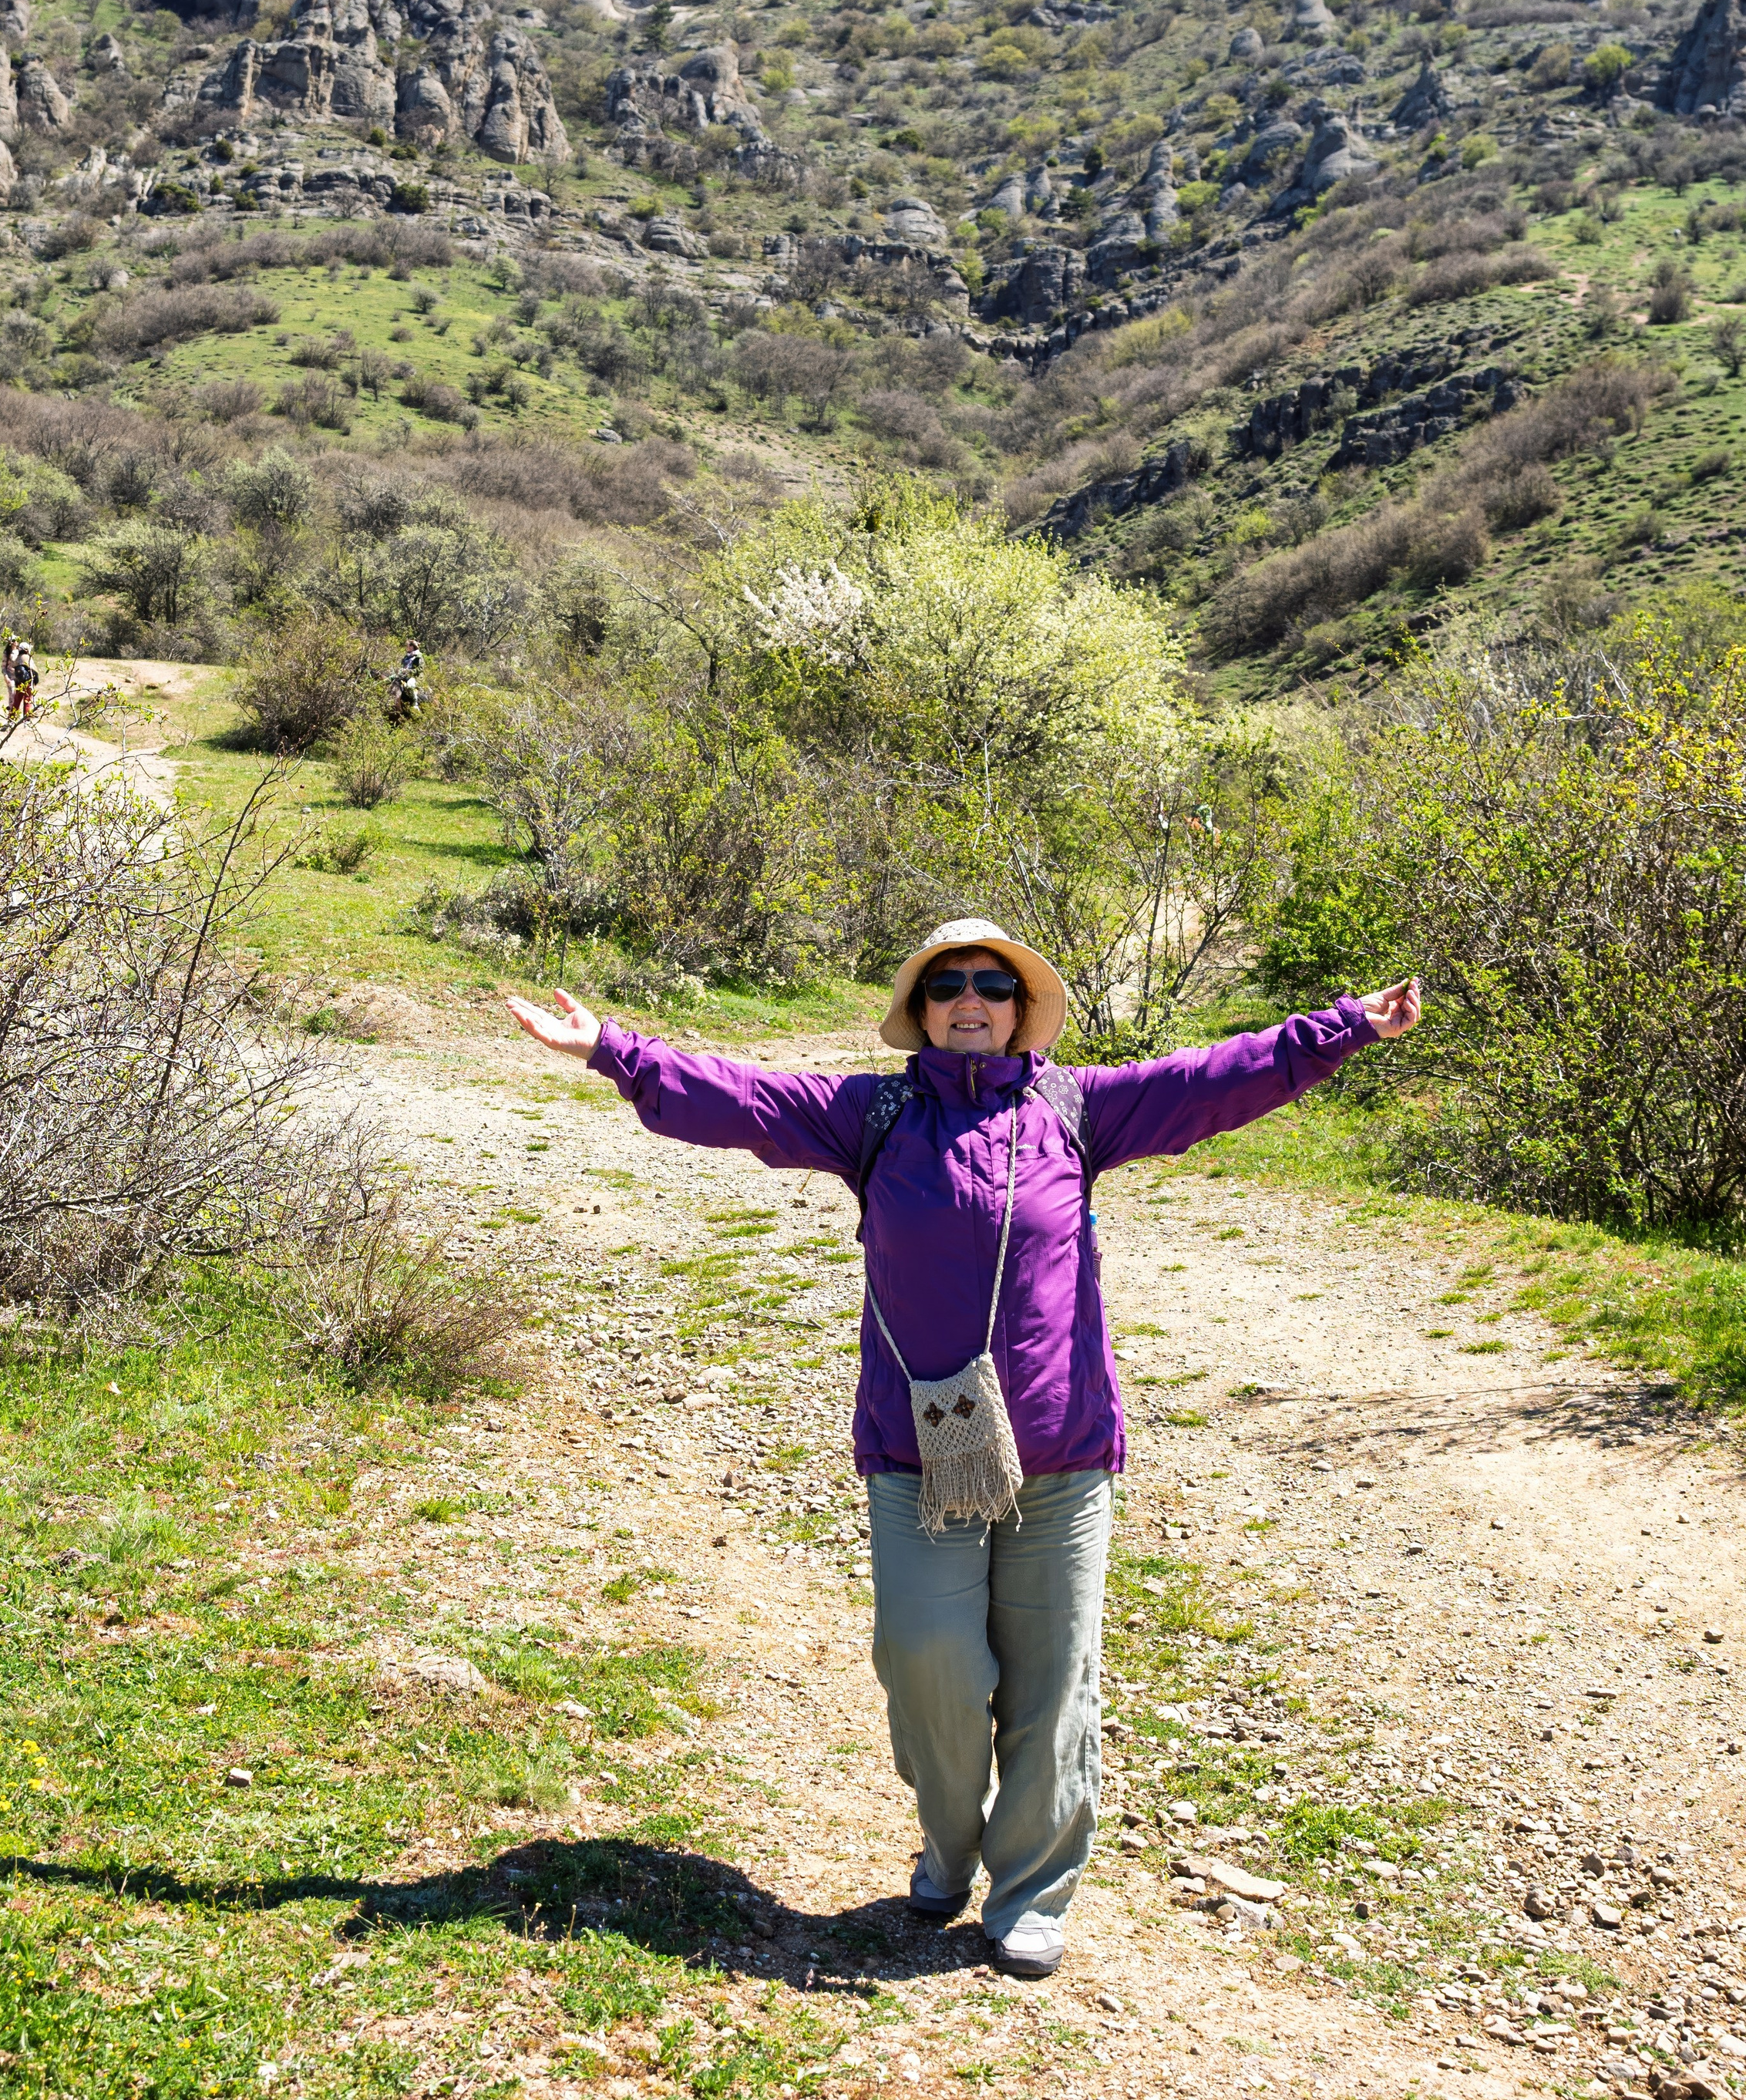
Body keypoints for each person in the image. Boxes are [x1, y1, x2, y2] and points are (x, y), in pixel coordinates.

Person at [509, 916, 1420, 1981]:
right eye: (949, 986)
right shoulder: (874, 1114)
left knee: (1052, 1683)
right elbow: (743, 1098)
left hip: (1062, 1450)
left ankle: (1029, 1888)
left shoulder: (1078, 1111)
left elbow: (1214, 1079)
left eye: (994, 983)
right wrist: (615, 1050)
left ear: (1023, 1006)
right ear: (926, 1010)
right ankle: (950, 1842)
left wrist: (1342, 1029)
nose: (972, 999)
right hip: (917, 1452)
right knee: (927, 1663)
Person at [5, 636, 37, 724]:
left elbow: (14, 666)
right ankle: (27, 719)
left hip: (19, 681)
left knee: (17, 699)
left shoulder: (18, 657)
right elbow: (34, 670)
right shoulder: (27, 657)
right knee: (28, 699)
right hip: (28, 681)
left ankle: (11, 718)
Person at [390, 640, 423, 722]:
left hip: (413, 677)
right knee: (389, 680)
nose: (406, 647)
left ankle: (415, 705)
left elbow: (420, 669)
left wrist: (410, 671)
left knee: (409, 686)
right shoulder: (406, 656)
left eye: (407, 646)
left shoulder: (419, 656)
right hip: (403, 675)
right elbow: (403, 666)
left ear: (412, 647)